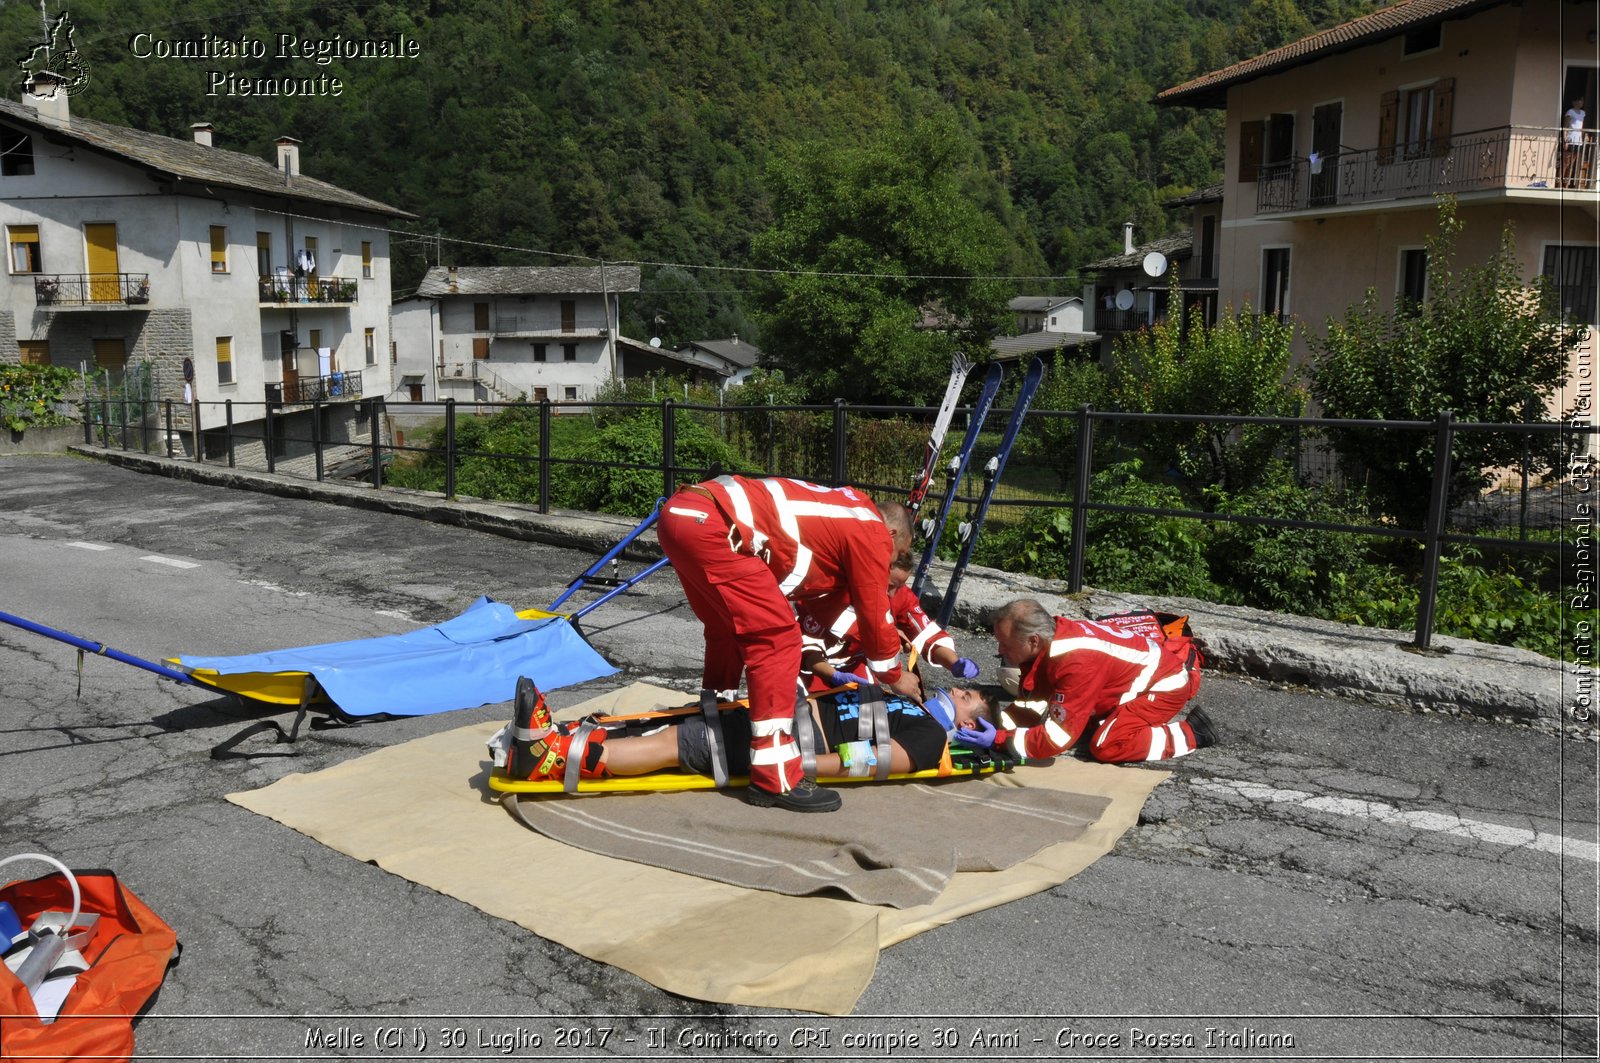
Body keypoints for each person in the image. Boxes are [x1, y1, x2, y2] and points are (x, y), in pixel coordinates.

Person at [653, 475, 920, 812]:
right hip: (717, 525)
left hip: (682, 514)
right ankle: (774, 776)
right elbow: (873, 606)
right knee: (778, 638)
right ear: (892, 534)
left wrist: (867, 637)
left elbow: (829, 607)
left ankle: (715, 709)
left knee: (726, 627)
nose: (890, 562)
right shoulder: (872, 531)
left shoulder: (842, 514)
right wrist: (894, 674)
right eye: (897, 554)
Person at [503, 676, 995, 782]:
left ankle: (549, 760)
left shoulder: (930, 738)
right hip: (779, 714)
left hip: (786, 740)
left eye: (966, 696)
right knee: (677, 726)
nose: (956, 690)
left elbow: (870, 761)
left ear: (970, 724)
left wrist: (794, 765)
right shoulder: (906, 702)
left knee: (678, 743)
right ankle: (560, 744)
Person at [956, 598, 1215, 764]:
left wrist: (1001, 741)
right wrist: (994, 728)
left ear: (1033, 641)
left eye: (1005, 644)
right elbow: (1032, 703)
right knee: (1087, 725)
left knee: (1106, 745)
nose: (1000, 651)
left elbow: (1057, 739)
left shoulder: (1075, 662)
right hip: (1144, 676)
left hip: (1165, 686)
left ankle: (1192, 733)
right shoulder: (1049, 644)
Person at [798, 553, 980, 692]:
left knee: (870, 710)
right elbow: (807, 652)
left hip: (854, 665)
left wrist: (954, 663)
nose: (893, 594)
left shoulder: (900, 596)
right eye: (890, 586)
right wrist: (835, 676)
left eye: (900, 586)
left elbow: (926, 633)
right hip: (811, 670)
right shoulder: (830, 592)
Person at [1560, 97, 1588, 189]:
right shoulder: (1570, 112)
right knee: (1566, 163)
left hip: (1578, 140)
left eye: (1582, 100)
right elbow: (1565, 126)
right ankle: (1560, 184)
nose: (1582, 102)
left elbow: (1581, 127)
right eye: (1580, 100)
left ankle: (1566, 184)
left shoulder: (1583, 113)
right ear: (1574, 102)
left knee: (1572, 163)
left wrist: (1584, 136)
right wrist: (1565, 140)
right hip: (1570, 139)